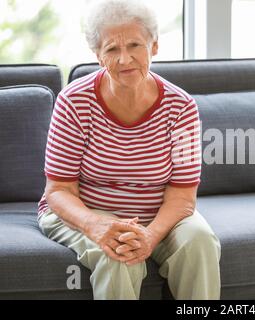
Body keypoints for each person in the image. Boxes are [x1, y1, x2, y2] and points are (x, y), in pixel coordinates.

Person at [37, 0, 221, 300]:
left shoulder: (181, 106)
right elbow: (59, 190)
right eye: (111, 49)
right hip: (84, 211)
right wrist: (95, 226)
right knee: (118, 257)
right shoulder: (74, 102)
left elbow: (182, 195)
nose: (125, 59)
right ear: (98, 56)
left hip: (155, 213)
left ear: (154, 46)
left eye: (135, 44)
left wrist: (150, 236)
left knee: (199, 241)